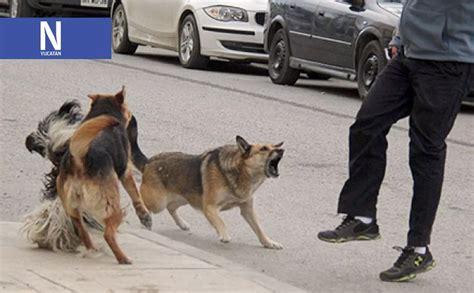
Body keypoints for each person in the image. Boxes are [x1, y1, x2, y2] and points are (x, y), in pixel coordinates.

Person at [317, 0, 474, 282]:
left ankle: (418, 248)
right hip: (408, 55)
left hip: (449, 62)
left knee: (425, 151)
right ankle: (363, 218)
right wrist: (400, 37)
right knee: (367, 124)